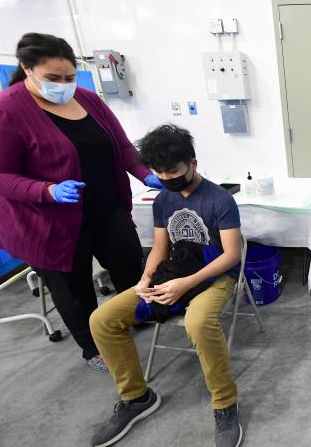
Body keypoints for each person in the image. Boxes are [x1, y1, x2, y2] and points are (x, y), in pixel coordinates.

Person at [0, 33, 163, 371]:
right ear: (26, 69)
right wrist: (46, 191)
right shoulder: (2, 112)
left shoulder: (88, 101)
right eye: (53, 79)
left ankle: (133, 317)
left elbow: (122, 148)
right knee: (73, 289)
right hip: (47, 222)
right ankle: (94, 348)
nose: (63, 85)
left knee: (132, 267)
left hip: (106, 209)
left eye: (69, 77)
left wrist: (145, 174)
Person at [89, 124, 244, 447]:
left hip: (212, 276)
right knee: (102, 319)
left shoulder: (219, 200)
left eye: (172, 170)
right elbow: (160, 249)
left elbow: (232, 255)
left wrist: (186, 283)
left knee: (198, 322)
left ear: (193, 163)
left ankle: (225, 405)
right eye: (159, 172)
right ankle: (137, 397)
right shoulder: (163, 200)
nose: (166, 177)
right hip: (174, 271)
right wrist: (145, 280)